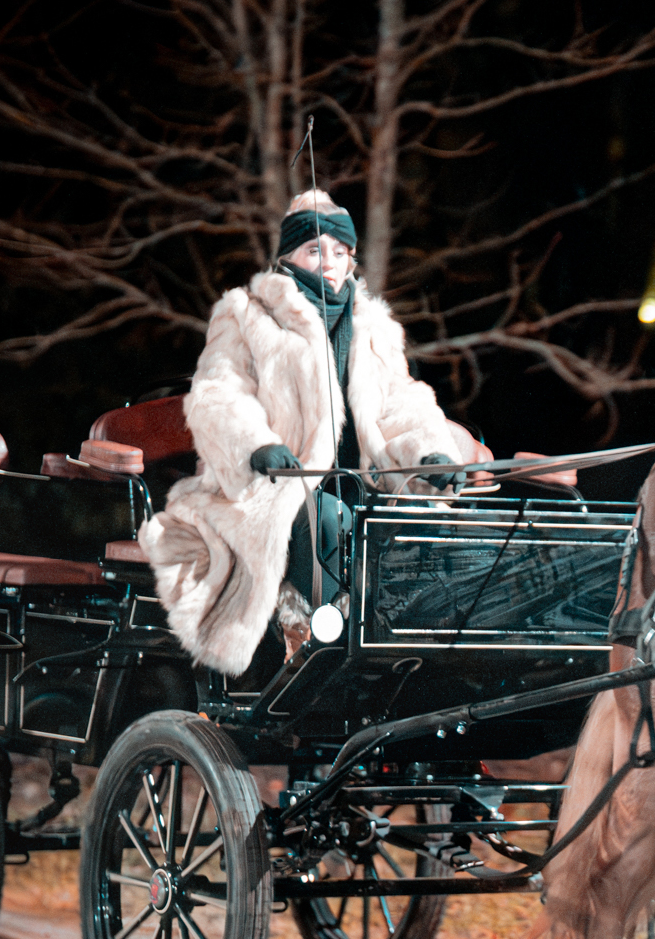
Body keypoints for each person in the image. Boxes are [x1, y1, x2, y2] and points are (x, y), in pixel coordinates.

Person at [136, 189, 482, 674]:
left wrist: (431, 455)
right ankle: (317, 641)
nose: (331, 263)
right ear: (288, 256)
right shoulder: (246, 315)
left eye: (340, 252)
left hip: (359, 487)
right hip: (264, 489)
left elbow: (402, 402)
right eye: (316, 250)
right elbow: (217, 393)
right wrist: (259, 446)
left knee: (417, 527)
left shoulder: (373, 328)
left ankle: (414, 650)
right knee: (318, 517)